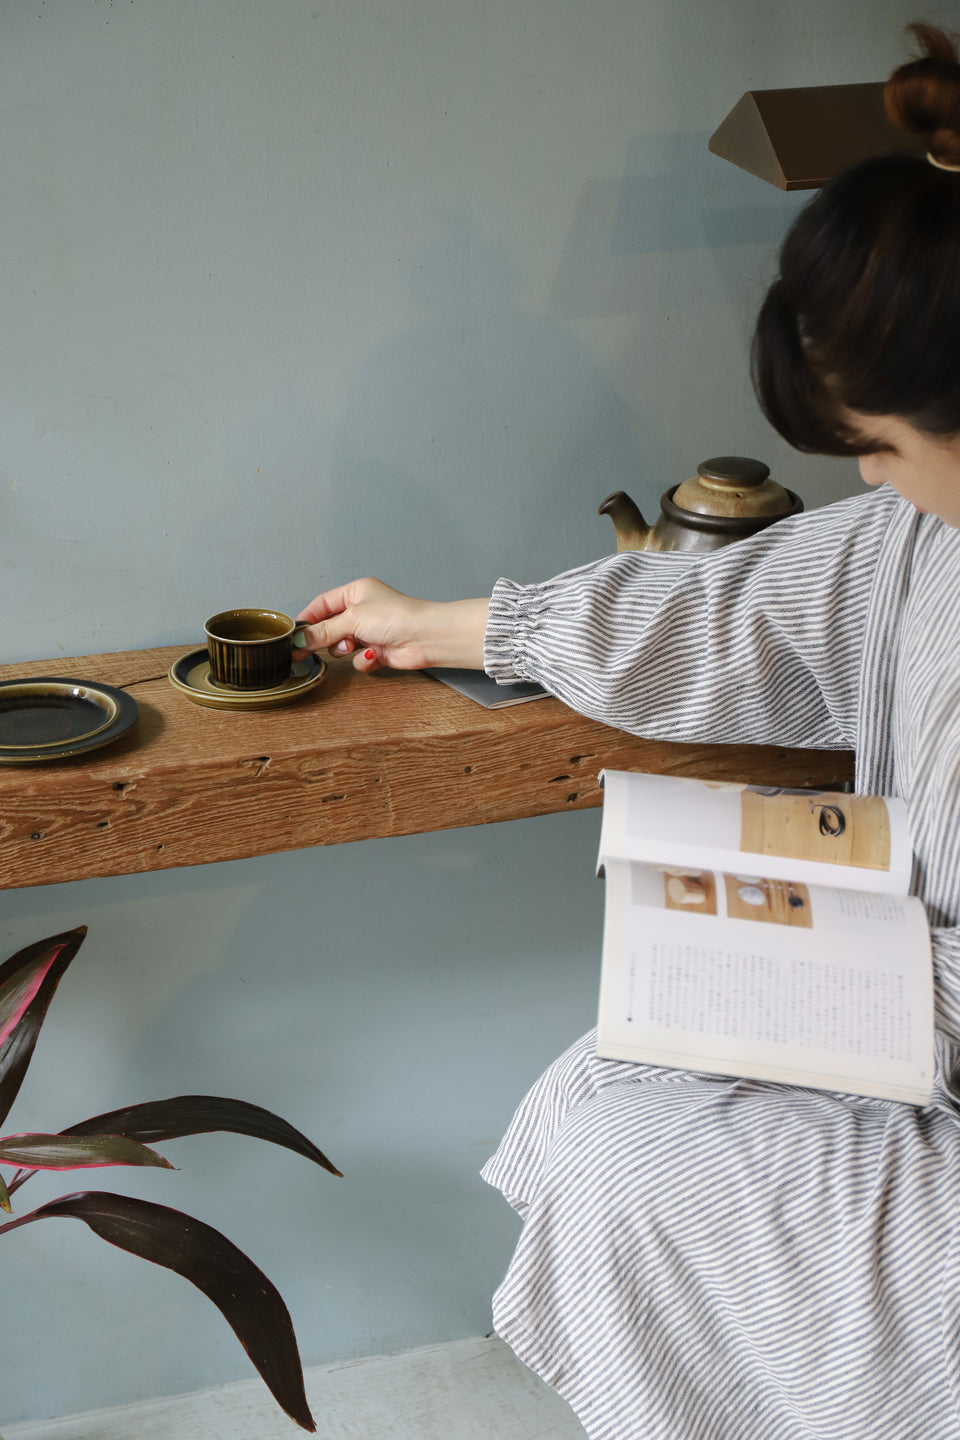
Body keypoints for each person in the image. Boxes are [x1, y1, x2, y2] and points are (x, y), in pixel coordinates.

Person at [294, 23, 960, 1439]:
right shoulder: (921, 535)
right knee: (606, 1101)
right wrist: (464, 627)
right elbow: (735, 610)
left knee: (647, 1159)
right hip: (906, 1015)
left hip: (928, 1048)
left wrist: (826, 980)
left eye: (881, 443)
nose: (865, 478)